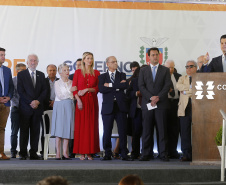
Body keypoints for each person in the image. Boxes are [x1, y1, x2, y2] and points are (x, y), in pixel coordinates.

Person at [138, 47, 171, 162]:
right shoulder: (143, 70)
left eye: (157, 55)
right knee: (147, 130)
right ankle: (146, 153)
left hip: (161, 104)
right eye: (153, 55)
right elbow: (141, 86)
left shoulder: (165, 70)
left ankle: (163, 154)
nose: (155, 57)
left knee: (162, 130)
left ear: (159, 56)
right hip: (147, 104)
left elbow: (167, 85)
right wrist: (151, 97)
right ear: (149, 56)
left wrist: (158, 97)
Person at [99, 56, 132, 161]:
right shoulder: (102, 76)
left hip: (120, 106)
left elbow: (124, 86)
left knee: (122, 131)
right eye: (113, 62)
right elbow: (101, 89)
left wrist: (109, 85)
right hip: (108, 107)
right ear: (107, 64)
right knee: (107, 131)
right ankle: (107, 153)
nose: (116, 63)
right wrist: (117, 86)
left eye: (116, 61)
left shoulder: (121, 74)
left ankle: (123, 153)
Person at [17, 54, 47, 160]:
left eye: (35, 60)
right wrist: (31, 102)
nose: (33, 62)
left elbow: (44, 91)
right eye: (31, 60)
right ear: (27, 62)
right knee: (24, 131)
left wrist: (37, 101)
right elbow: (20, 91)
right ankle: (23, 153)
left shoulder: (41, 75)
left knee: (35, 131)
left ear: (37, 62)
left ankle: (33, 152)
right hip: (25, 108)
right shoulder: (21, 75)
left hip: (37, 108)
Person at [72, 52, 100, 160]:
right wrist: (78, 100)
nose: (90, 60)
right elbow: (74, 88)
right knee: (82, 127)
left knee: (91, 127)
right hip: (81, 103)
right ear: (83, 60)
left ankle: (90, 153)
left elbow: (98, 88)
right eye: (88, 58)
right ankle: (82, 153)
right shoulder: (78, 72)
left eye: (91, 58)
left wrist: (87, 89)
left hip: (92, 102)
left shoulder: (96, 72)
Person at [51, 64, 75, 160]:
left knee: (67, 128)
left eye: (68, 70)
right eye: (64, 70)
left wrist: (70, 93)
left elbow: (72, 96)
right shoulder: (57, 83)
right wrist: (70, 92)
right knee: (59, 129)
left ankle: (65, 153)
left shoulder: (72, 82)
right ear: (60, 72)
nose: (67, 71)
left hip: (69, 105)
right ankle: (58, 153)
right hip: (60, 106)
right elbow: (60, 96)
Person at [176, 60, 197, 162]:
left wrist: (185, 91)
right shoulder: (181, 78)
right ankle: (186, 154)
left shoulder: (200, 78)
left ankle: (197, 154)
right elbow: (178, 86)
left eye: (191, 66)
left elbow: (197, 91)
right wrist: (190, 89)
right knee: (184, 132)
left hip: (197, 108)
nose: (188, 68)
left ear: (196, 68)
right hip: (184, 109)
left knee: (197, 132)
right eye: (187, 67)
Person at [40, 64, 59, 158]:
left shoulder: (60, 81)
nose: (52, 72)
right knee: (45, 130)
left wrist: (55, 102)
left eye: (54, 70)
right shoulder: (42, 81)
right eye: (50, 70)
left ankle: (60, 152)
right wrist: (49, 102)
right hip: (45, 107)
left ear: (56, 71)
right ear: (47, 71)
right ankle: (44, 151)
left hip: (58, 107)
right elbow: (40, 93)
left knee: (60, 130)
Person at [165, 60, 181, 159]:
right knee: (164, 129)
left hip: (176, 104)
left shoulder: (179, 76)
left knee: (175, 129)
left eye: (172, 67)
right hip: (165, 104)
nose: (170, 69)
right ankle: (164, 151)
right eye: (168, 68)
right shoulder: (161, 77)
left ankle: (173, 151)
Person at [0, 47, 14, 160]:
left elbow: (11, 86)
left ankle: (1, 152)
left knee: (2, 129)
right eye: (1, 55)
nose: (3, 57)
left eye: (4, 54)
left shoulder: (7, 70)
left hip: (6, 104)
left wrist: (8, 97)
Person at [10, 63, 26, 158]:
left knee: (24, 132)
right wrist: (19, 105)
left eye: (25, 70)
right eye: (22, 71)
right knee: (14, 132)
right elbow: (12, 95)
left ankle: (23, 152)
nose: (25, 72)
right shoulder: (12, 81)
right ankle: (13, 151)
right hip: (16, 109)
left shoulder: (28, 81)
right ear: (17, 71)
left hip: (26, 110)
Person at [127, 66, 143, 160]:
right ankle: (135, 152)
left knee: (147, 133)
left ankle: (146, 152)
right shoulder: (134, 81)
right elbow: (128, 94)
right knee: (136, 133)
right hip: (136, 110)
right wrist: (136, 93)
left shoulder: (150, 81)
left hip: (148, 110)